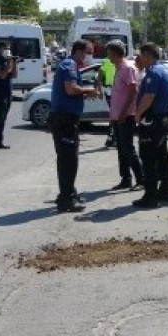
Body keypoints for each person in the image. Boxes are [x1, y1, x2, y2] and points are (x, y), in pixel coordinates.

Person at [49, 40, 101, 212]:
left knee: (69, 158)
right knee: (68, 160)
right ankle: (66, 200)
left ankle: (69, 192)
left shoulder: (72, 65)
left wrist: (84, 95)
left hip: (67, 119)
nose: (90, 56)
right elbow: (70, 89)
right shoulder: (69, 65)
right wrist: (88, 91)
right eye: (89, 52)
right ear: (79, 51)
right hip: (64, 120)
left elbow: (70, 93)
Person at [133, 43, 168, 208]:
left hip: (152, 119)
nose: (139, 58)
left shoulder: (154, 72)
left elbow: (149, 96)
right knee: (162, 155)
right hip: (162, 117)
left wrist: (137, 114)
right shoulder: (165, 69)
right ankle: (165, 191)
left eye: (141, 55)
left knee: (148, 158)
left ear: (148, 55)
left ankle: (150, 196)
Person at [105, 41, 143, 190]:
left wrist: (123, 112)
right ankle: (125, 178)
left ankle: (141, 179)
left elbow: (133, 91)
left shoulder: (127, 68)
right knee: (121, 148)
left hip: (125, 116)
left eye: (109, 53)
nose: (108, 56)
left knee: (128, 148)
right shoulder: (118, 68)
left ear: (115, 53)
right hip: (117, 116)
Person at [98, 51, 118, 148]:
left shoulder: (121, 62)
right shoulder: (106, 61)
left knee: (114, 115)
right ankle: (111, 138)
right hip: (110, 91)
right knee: (115, 116)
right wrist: (100, 90)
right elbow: (100, 76)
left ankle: (111, 138)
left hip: (115, 91)